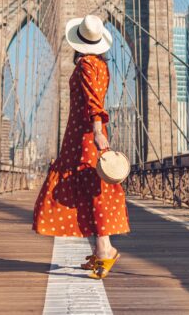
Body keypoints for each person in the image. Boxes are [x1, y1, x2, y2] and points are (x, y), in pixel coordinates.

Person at [32, 14, 130, 279]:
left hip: (85, 136)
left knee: (92, 189)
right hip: (82, 134)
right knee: (93, 189)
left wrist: (98, 131)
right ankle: (102, 249)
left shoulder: (86, 65)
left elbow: (93, 101)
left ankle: (105, 249)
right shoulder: (101, 66)